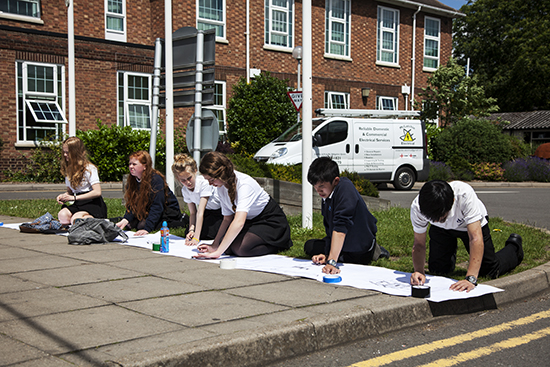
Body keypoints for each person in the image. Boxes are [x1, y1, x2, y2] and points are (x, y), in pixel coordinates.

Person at [410, 180, 524, 292]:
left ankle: (514, 247)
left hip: (470, 226)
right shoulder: (418, 207)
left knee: (489, 270)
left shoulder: (464, 195)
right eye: (432, 218)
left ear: (453, 201)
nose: (437, 220)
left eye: (442, 217)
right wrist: (419, 271)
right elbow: (419, 244)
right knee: (438, 269)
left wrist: (471, 278)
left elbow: (475, 238)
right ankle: (449, 253)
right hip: (441, 231)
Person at [194, 151, 293, 258]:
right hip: (250, 221)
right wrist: (215, 245)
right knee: (226, 247)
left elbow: (239, 222)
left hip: (270, 221)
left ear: (221, 174)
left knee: (241, 249)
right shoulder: (221, 187)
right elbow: (227, 218)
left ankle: (280, 245)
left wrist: (217, 253)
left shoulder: (244, 184)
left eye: (211, 180)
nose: (210, 184)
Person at [304, 157, 388, 274]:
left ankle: (375, 251)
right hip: (343, 242)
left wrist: (331, 262)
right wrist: (327, 254)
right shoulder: (327, 196)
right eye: (315, 187)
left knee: (356, 257)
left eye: (321, 186)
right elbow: (330, 229)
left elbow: (340, 228)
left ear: (336, 181)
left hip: (359, 244)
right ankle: (335, 254)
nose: (318, 191)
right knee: (309, 246)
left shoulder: (346, 190)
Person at [115, 151, 187, 236]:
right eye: (130, 164)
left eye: (134, 164)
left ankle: (182, 220)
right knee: (130, 224)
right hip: (148, 210)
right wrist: (125, 220)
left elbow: (157, 206)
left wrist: (147, 229)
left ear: (145, 166)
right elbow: (132, 204)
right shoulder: (132, 180)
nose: (131, 167)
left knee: (141, 225)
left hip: (167, 211)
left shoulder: (156, 180)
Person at [171, 153, 223, 245]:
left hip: (221, 211)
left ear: (195, 172)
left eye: (189, 178)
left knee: (209, 233)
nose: (187, 182)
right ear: (178, 179)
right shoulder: (185, 190)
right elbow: (192, 212)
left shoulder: (204, 183)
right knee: (187, 232)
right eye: (183, 180)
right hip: (208, 212)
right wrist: (192, 230)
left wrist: (196, 238)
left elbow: (200, 212)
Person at [56, 137, 107, 225]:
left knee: (76, 219)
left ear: (75, 153)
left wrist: (74, 198)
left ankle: (96, 221)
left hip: (92, 203)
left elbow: (97, 192)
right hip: (78, 203)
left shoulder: (89, 169)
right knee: (62, 215)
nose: (64, 155)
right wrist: (63, 196)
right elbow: (70, 192)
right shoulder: (69, 170)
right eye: (63, 152)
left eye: (67, 152)